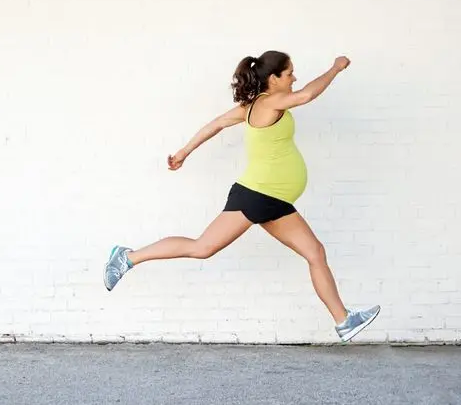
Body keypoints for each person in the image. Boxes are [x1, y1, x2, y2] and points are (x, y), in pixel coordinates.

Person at [103, 50, 380, 343]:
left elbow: (216, 124)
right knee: (202, 248)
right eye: (289, 73)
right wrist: (335, 68)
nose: (294, 78)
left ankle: (343, 321)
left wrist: (184, 152)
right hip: (257, 194)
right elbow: (305, 96)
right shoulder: (270, 102)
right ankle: (127, 257)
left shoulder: (252, 107)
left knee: (315, 253)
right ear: (273, 79)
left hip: (274, 200)